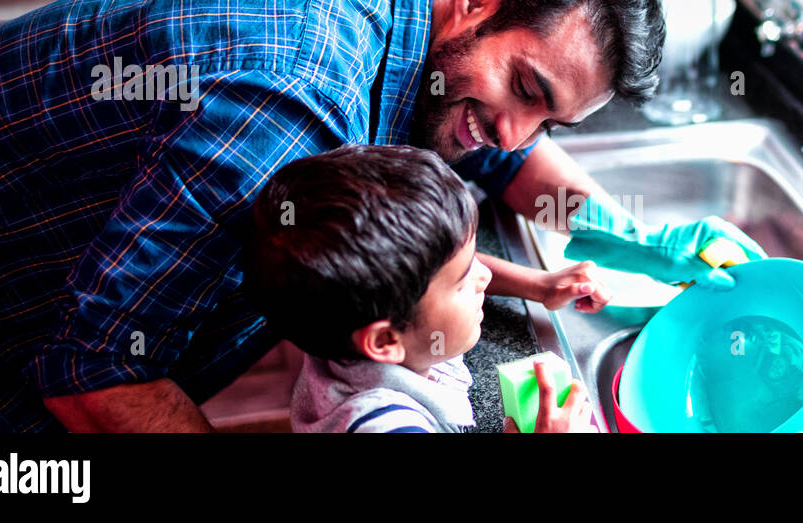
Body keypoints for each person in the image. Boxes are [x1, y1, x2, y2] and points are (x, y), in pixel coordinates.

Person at [0, 0, 763, 432]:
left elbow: (497, 148)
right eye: (528, 90)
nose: (519, 133)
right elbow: (97, 369)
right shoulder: (294, 107)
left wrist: (635, 233)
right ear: (478, 3)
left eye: (551, 119)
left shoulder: (429, 41)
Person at [246, 144, 593, 433]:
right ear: (384, 341)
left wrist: (539, 284)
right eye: (462, 282)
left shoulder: (350, 321)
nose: (484, 277)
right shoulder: (382, 424)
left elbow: (438, 270)